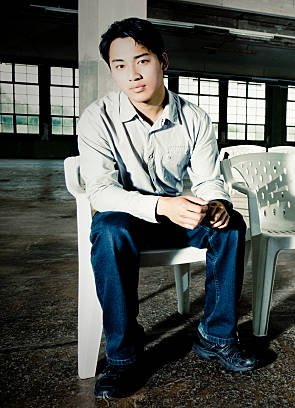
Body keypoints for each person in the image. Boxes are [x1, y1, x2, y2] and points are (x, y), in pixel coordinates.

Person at [77, 18, 259, 399]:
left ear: (163, 61)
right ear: (112, 70)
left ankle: (216, 335)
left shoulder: (194, 117)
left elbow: (209, 177)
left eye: (142, 61)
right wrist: (161, 205)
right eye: (120, 66)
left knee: (231, 225)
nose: (132, 75)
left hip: (177, 214)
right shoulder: (98, 117)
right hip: (129, 218)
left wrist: (217, 202)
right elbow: (100, 192)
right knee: (108, 230)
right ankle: (123, 357)